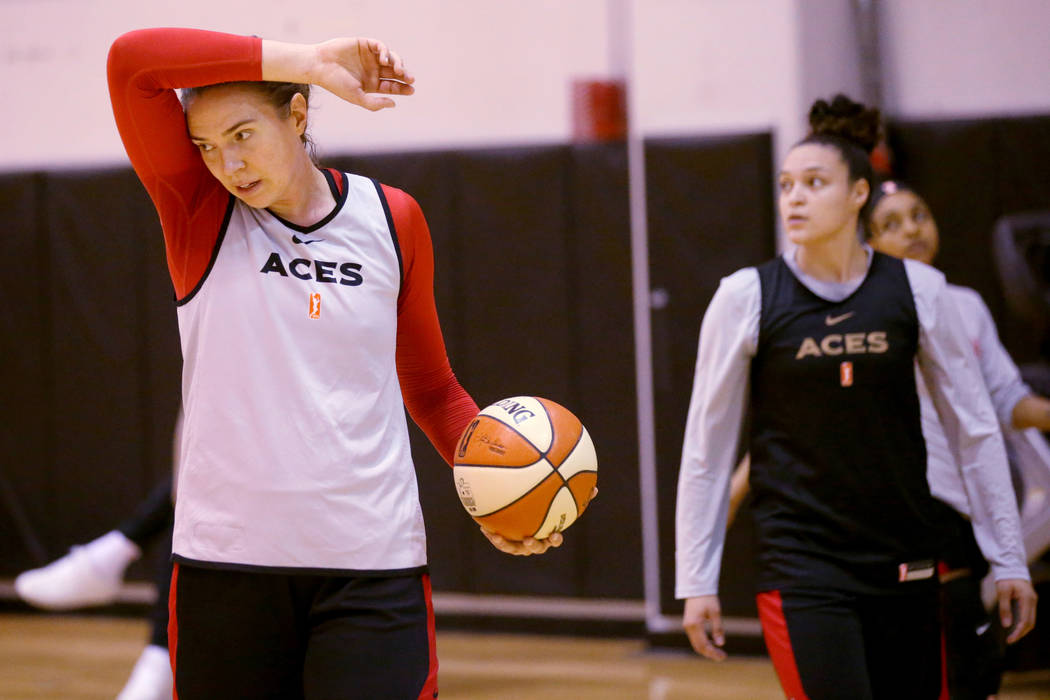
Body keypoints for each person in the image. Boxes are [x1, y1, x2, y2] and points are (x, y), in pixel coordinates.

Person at [106, 27, 559, 699]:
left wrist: (494, 484)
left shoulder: (393, 218)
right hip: (226, 568)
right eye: (206, 146)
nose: (227, 164)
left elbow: (432, 387)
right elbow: (131, 62)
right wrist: (307, 61)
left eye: (242, 134)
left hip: (371, 566)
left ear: (297, 114)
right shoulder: (198, 212)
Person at [675, 94, 1036, 699]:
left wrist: (1009, 560)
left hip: (906, 554)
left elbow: (974, 432)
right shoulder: (746, 297)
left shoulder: (920, 291)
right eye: (787, 184)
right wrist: (697, 580)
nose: (794, 196)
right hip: (804, 561)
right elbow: (706, 455)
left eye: (815, 183)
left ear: (859, 195)